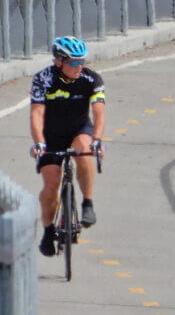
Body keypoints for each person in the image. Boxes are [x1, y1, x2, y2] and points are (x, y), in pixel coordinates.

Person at [29, 36, 106, 257]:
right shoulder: (43, 79)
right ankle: (48, 230)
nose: (78, 66)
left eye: (82, 61)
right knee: (51, 184)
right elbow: (36, 113)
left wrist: (98, 139)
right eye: (73, 62)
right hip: (51, 134)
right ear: (59, 62)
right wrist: (39, 143)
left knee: (84, 149)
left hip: (79, 128)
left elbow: (99, 112)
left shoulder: (92, 79)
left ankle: (88, 203)